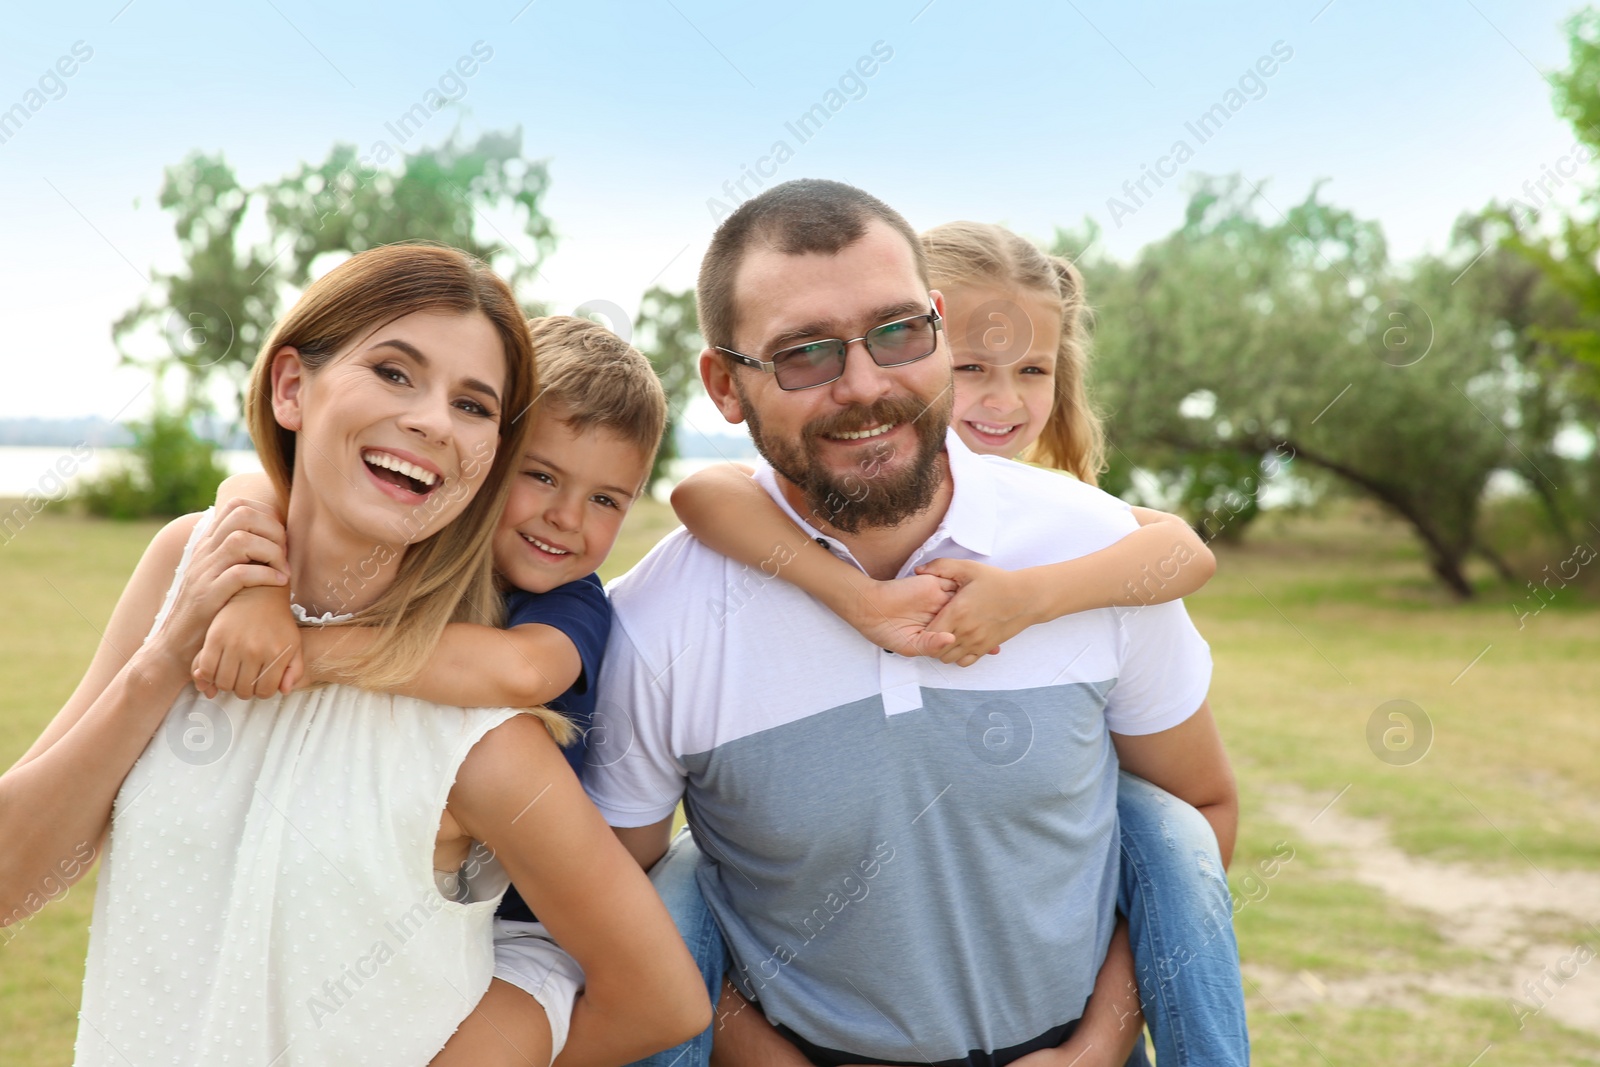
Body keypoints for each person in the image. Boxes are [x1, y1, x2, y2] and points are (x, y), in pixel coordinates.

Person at [583, 179, 1239, 1066]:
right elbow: (625, 910)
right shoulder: (660, 624)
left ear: (936, 321)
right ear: (723, 386)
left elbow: (1195, 810)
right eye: (804, 354)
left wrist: (1097, 1046)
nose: (865, 385)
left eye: (898, 332)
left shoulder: (1090, 550)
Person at [0, 246, 708, 1066]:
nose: (435, 421)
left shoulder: (480, 728)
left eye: (475, 406)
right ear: (291, 385)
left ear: (487, 456)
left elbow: (659, 995)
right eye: (396, 373)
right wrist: (167, 656)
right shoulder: (187, 564)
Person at [193, 314, 719, 1063]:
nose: (567, 518)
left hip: (531, 932)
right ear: (487, 456)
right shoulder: (416, 552)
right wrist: (256, 593)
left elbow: (521, 671)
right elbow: (253, 484)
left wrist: (306, 649)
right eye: (541, 475)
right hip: (391, 909)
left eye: (608, 499)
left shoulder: (571, 601)